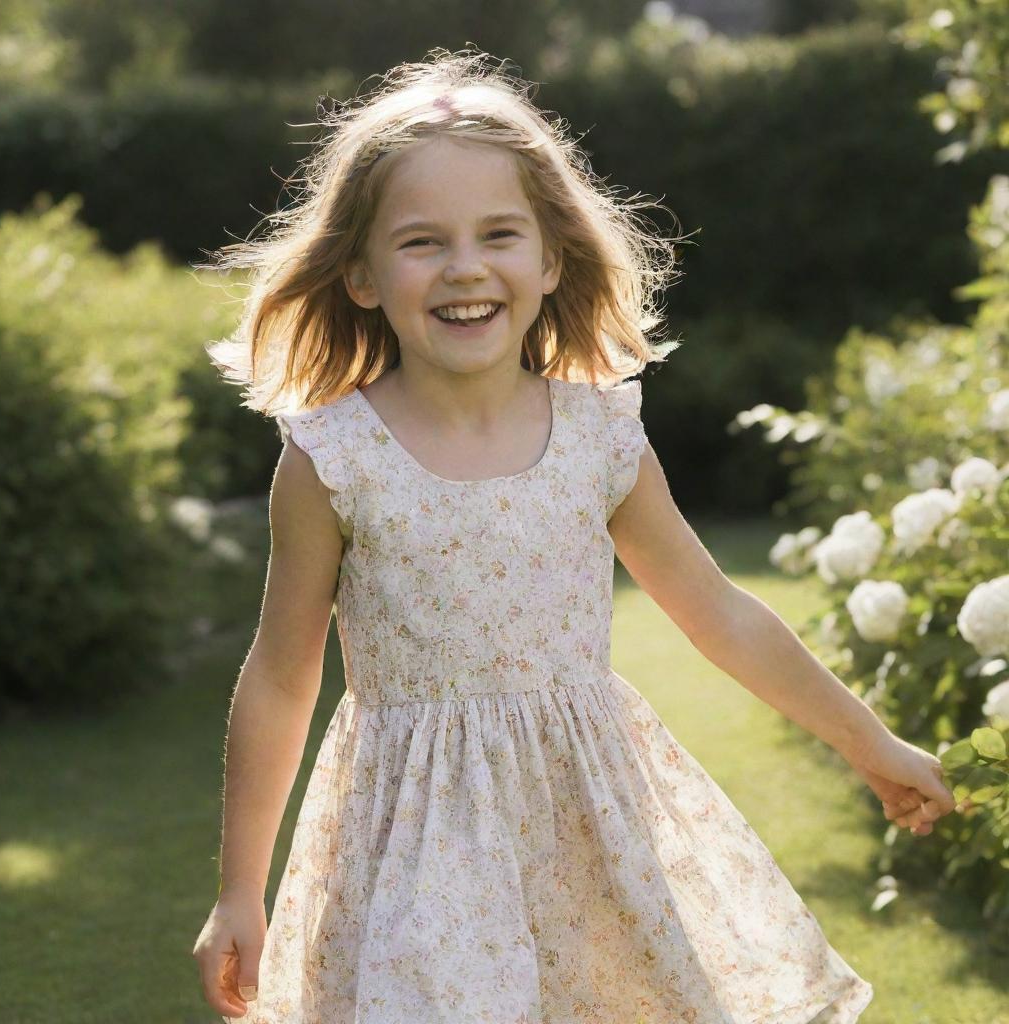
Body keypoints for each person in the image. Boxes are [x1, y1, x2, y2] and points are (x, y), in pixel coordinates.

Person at [191, 46, 965, 1024]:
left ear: (550, 258)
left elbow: (718, 613)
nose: (465, 267)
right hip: (416, 851)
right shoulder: (334, 458)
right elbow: (280, 676)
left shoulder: (599, 436)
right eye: (422, 241)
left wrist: (871, 743)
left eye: (499, 234)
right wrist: (238, 889)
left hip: (587, 826)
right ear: (359, 274)